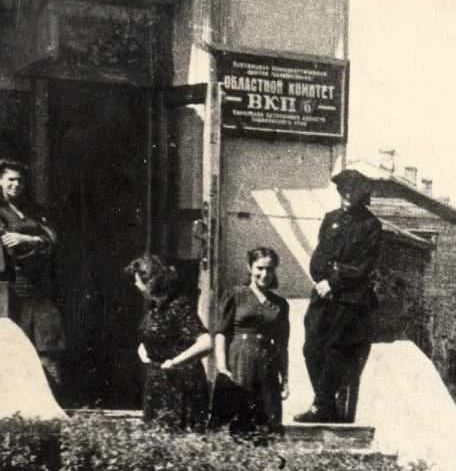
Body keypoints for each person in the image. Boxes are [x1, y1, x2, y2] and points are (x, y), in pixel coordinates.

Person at [295, 168, 381, 423]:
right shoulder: (330, 218)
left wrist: (334, 281)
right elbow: (318, 259)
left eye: (351, 192)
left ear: (361, 195)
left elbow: (363, 267)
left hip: (351, 298)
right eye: (342, 191)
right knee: (311, 348)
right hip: (324, 293)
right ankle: (326, 403)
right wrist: (322, 280)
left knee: (335, 347)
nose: (346, 195)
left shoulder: (371, 225)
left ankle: (321, 406)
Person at [0, 160, 64, 398]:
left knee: (50, 344)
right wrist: (38, 243)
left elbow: (53, 240)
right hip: (16, 288)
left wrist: (29, 240)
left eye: (20, 180)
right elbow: (8, 247)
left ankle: (53, 407)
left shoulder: (33, 211)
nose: (16, 184)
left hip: (40, 287)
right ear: (0, 181)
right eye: (10, 179)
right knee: (17, 349)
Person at [127, 254, 212, 431]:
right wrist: (143, 349)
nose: (136, 285)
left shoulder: (179, 306)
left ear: (149, 281)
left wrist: (174, 362)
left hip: (180, 385)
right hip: (158, 383)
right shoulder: (156, 307)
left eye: (138, 281)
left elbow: (206, 342)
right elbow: (159, 337)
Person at [213, 246, 289, 437]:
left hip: (267, 365)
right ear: (249, 267)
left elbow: (282, 344)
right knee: (238, 416)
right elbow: (221, 333)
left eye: (270, 269)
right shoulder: (236, 295)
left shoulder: (280, 304)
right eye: (260, 268)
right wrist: (222, 368)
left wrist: (285, 379)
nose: (265, 274)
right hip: (240, 360)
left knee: (268, 419)